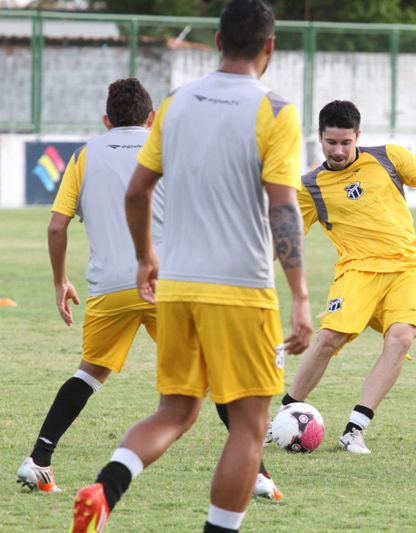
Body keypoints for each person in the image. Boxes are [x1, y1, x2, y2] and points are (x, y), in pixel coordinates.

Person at [69, 1, 312, 532]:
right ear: (269, 47)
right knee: (249, 427)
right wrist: (300, 293)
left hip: (177, 285)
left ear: (218, 41)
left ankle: (105, 488)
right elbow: (283, 207)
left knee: (174, 412)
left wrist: (145, 258)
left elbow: (137, 192)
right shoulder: (275, 110)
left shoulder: (176, 103)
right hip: (242, 289)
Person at [18, 78, 282, 502]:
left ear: (106, 120)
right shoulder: (166, 146)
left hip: (107, 287)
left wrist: (59, 281)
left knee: (90, 371)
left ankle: (38, 460)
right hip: (163, 282)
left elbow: (56, 224)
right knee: (213, 374)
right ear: (152, 117)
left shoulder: (85, 154)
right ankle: (257, 473)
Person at [275, 100, 416, 455]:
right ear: (319, 138)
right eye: (331, 142)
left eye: (345, 142)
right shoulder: (310, 187)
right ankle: (282, 417)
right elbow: (288, 238)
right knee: (328, 338)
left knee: (400, 340)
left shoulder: (388, 157)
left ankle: (354, 429)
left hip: (406, 268)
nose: (338, 150)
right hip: (358, 270)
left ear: (358, 137)